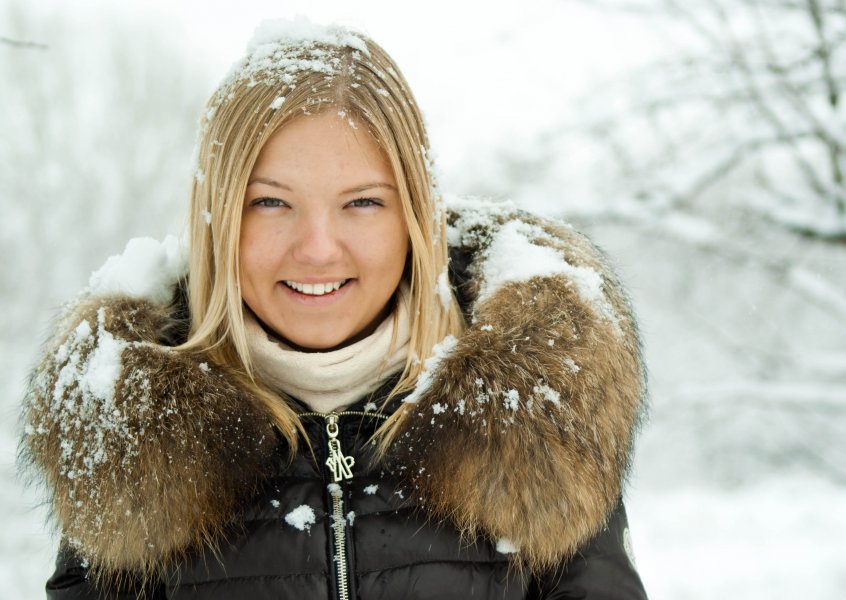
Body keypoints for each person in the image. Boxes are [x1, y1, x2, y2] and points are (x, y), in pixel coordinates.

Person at [20, 17, 648, 600]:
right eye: (270, 203)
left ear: (415, 218)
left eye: (363, 203)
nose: (317, 248)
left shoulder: (536, 425)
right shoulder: (135, 446)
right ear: (216, 219)